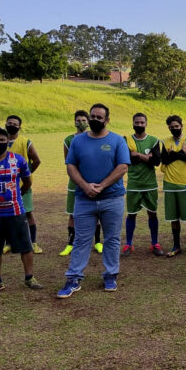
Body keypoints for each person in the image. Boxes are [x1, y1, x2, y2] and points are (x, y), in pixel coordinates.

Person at [57, 103, 130, 298]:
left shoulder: (117, 140)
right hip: (84, 199)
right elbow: (70, 166)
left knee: (112, 238)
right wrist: (85, 186)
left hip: (112, 198)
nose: (95, 120)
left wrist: (102, 186)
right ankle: (73, 278)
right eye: (93, 116)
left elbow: (123, 167)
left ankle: (110, 275)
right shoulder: (78, 141)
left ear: (107, 120)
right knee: (81, 239)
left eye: (99, 117)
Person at [0, 127, 43, 296]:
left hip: (16, 210)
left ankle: (29, 278)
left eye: (2, 140)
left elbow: (27, 181)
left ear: (7, 141)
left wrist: (17, 194)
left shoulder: (19, 160)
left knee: (25, 245)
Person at [60, 110, 103, 256]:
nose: (81, 123)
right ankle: (70, 243)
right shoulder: (68, 140)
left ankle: (97, 242)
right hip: (75, 182)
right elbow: (68, 162)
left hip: (93, 180)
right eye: (78, 120)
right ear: (74, 121)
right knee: (72, 213)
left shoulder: (94, 137)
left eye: (84, 120)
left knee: (96, 212)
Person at [123, 113, 164, 257]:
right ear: (132, 123)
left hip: (150, 184)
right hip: (134, 184)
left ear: (146, 124)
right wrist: (147, 157)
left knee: (152, 213)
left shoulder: (153, 140)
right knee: (131, 214)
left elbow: (156, 162)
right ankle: (128, 244)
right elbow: (127, 160)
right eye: (137, 122)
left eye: (142, 122)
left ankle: (155, 243)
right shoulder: (126, 140)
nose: (139, 125)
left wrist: (138, 155)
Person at [160, 115, 186, 257]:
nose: (174, 129)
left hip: (185, 184)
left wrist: (174, 154)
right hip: (169, 184)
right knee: (173, 218)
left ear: (182, 126)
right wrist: (181, 153)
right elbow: (164, 160)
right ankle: (176, 246)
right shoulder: (165, 141)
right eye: (171, 127)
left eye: (176, 126)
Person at [4, 115, 42, 253]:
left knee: (28, 212)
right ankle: (8, 243)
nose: (12, 125)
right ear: (5, 124)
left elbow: (37, 160)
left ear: (19, 127)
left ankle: (33, 242)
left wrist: (27, 173)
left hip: (23, 184)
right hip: (5, 184)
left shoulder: (26, 142)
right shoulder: (1, 140)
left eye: (15, 124)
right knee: (7, 213)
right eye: (10, 123)